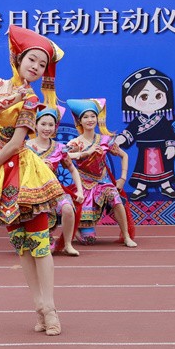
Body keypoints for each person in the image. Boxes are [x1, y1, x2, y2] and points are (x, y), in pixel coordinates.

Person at [0, 25, 68, 336]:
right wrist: (15, 93)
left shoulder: (32, 100)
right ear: (18, 58)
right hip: (0, 175)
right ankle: (39, 307)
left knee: (39, 244)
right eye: (32, 60)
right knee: (22, 246)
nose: (37, 67)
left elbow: (17, 143)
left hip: (23, 175)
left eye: (42, 64)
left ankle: (50, 309)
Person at [66, 98, 137, 248]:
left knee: (115, 197)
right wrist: (83, 153)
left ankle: (126, 236)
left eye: (93, 116)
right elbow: (63, 156)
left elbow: (124, 155)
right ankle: (76, 230)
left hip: (103, 182)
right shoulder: (75, 143)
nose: (90, 120)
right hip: (84, 185)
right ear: (80, 121)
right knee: (88, 241)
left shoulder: (105, 140)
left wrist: (122, 178)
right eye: (86, 117)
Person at [25, 107, 84, 256]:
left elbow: (72, 169)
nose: (47, 128)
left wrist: (80, 190)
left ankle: (68, 244)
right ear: (35, 125)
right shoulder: (25, 147)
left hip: (54, 191)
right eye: (43, 124)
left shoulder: (59, 148)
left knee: (68, 208)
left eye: (51, 125)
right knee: (44, 247)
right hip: (32, 192)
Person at [115, 67, 175, 200]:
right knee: (142, 169)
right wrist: (122, 138)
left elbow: (169, 135)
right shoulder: (137, 121)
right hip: (144, 150)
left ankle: (166, 186)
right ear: (130, 101)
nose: (152, 100)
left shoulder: (162, 120)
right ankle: (141, 188)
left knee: (163, 169)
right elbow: (130, 132)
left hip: (160, 149)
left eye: (158, 96)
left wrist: (171, 146)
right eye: (144, 96)